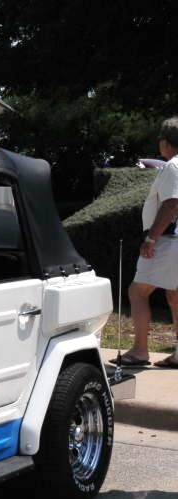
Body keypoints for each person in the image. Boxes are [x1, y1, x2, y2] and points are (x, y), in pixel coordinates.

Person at [112, 117, 178, 368]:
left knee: (137, 292)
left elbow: (171, 204)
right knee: (175, 294)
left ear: (165, 142)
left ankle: (140, 351)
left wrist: (151, 239)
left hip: (166, 240)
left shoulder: (173, 167)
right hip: (174, 240)